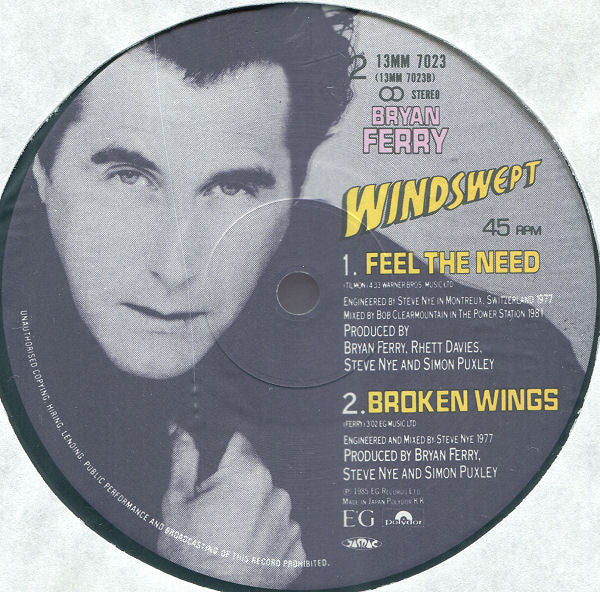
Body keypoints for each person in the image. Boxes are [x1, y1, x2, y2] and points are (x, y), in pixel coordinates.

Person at [1, 3, 585, 590]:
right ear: (43, 177)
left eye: (233, 189)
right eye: (127, 178)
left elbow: (536, 374)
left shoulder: (330, 264)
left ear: (293, 196)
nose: (175, 268)